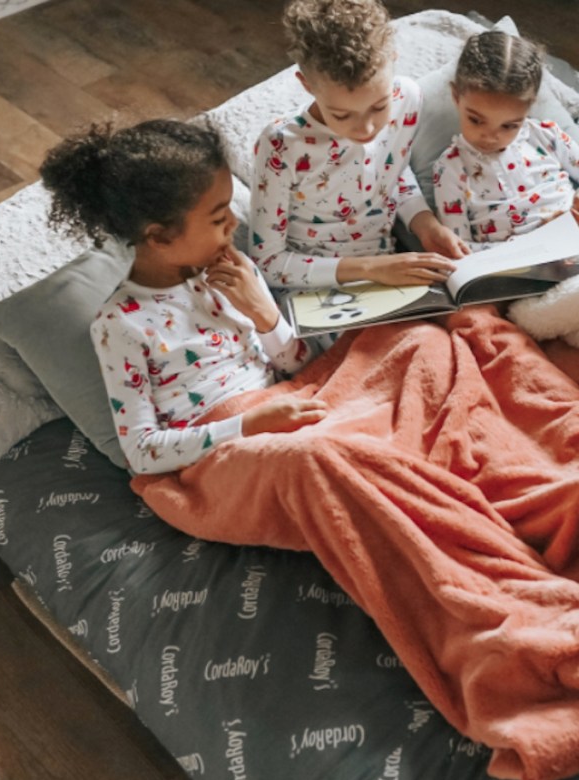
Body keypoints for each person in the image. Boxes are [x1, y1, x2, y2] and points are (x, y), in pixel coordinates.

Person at [40, 118, 329, 475]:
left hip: (284, 410)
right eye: (218, 217)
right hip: (225, 451)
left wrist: (263, 313)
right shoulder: (120, 323)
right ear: (159, 237)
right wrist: (247, 426)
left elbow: (305, 366)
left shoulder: (236, 273)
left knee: (405, 343)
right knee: (315, 456)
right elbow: (142, 453)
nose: (234, 224)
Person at [249, 0, 469, 291]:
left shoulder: (408, 98)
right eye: (342, 115)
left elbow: (392, 170)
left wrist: (425, 224)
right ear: (306, 85)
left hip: (391, 274)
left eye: (379, 107)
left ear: (393, 58)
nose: (366, 129)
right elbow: (267, 263)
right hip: (316, 291)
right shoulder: (281, 145)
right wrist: (372, 269)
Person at [433, 30, 579, 249]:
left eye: (509, 126)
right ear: (456, 97)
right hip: (525, 271)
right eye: (476, 121)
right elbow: (459, 248)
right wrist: (528, 245)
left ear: (529, 107)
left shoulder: (547, 136)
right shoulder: (450, 168)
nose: (491, 136)